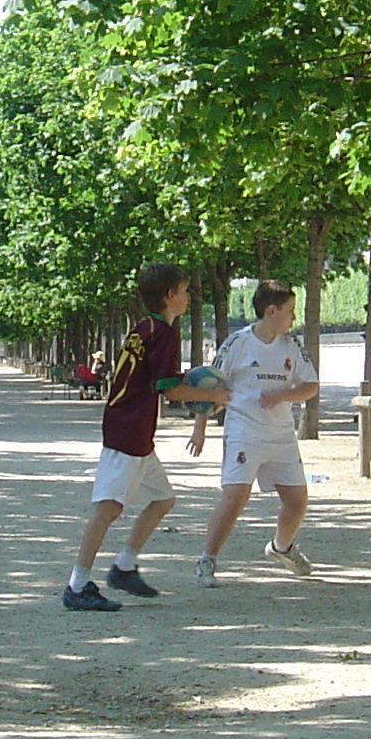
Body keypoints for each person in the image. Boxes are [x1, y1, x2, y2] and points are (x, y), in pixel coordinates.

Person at [63, 262, 228, 612]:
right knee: (107, 508)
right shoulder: (164, 334)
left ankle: (124, 566)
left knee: (164, 500)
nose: (188, 297)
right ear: (170, 295)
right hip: (129, 431)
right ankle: (77, 585)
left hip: (133, 430)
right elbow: (168, 390)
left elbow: (154, 378)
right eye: (184, 291)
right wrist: (214, 396)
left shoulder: (143, 328)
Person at [187, 281, 321, 585]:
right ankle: (207, 560)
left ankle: (281, 548)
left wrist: (282, 396)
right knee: (235, 496)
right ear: (271, 311)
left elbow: (311, 385)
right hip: (244, 431)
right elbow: (210, 384)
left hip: (281, 435)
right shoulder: (237, 343)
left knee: (297, 501)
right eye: (289, 311)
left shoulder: (292, 346)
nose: (293, 318)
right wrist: (200, 427)